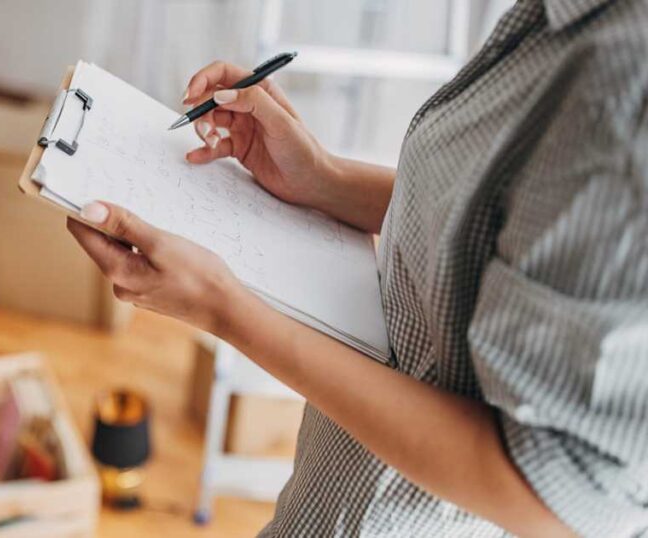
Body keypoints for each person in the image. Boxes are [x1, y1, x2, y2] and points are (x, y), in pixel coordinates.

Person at [66, 0, 648, 536]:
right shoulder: (559, 19)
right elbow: (489, 225)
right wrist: (323, 179)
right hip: (331, 486)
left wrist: (226, 309)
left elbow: (551, 491)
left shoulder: (626, 87)